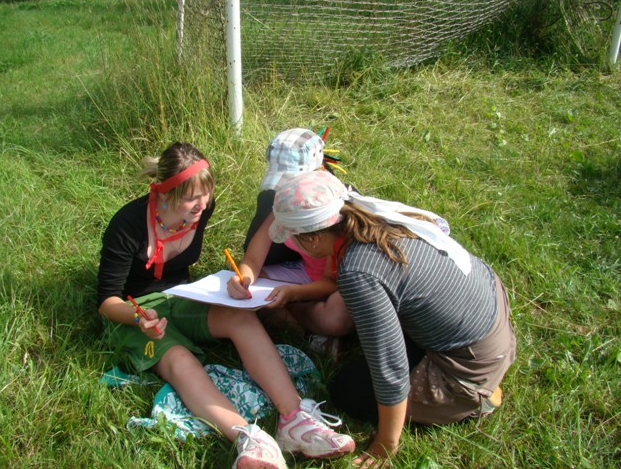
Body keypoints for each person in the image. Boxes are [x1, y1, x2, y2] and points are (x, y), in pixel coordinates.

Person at [97, 142, 355, 469]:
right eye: (192, 198)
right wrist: (138, 318)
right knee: (179, 359)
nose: (202, 204)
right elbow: (106, 302)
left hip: (182, 296)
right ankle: (248, 438)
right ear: (164, 192)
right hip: (134, 311)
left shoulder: (202, 209)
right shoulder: (127, 225)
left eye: (206, 194)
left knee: (241, 318)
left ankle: (295, 418)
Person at [267, 170, 517, 468]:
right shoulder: (374, 216)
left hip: (468, 365)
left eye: (294, 238)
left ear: (313, 238)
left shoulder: (359, 272)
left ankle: (476, 398)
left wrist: (385, 443)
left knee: (349, 392)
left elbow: (389, 367)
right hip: (491, 317)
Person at [228, 128, 354, 344]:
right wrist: (243, 279)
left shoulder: (331, 212)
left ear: (319, 171)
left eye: (290, 182)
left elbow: (330, 281)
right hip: (304, 274)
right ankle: (309, 335)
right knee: (243, 289)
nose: (283, 190)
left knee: (336, 318)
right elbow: (254, 258)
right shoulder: (285, 201)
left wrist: (293, 294)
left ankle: (295, 320)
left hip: (335, 284)